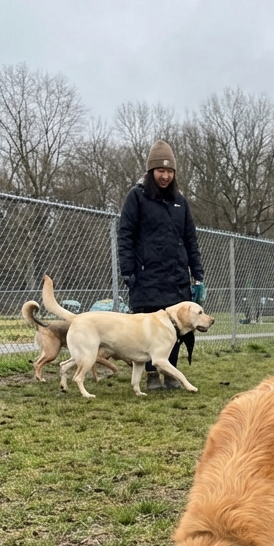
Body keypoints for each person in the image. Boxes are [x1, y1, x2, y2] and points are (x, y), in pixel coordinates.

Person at [117, 140, 204, 390]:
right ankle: (152, 374)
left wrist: (197, 276)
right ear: (151, 172)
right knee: (148, 330)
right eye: (160, 171)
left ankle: (171, 375)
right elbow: (125, 236)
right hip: (146, 278)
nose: (165, 176)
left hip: (176, 278)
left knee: (176, 330)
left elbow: (190, 240)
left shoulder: (180, 202)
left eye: (169, 171)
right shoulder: (137, 197)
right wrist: (129, 272)